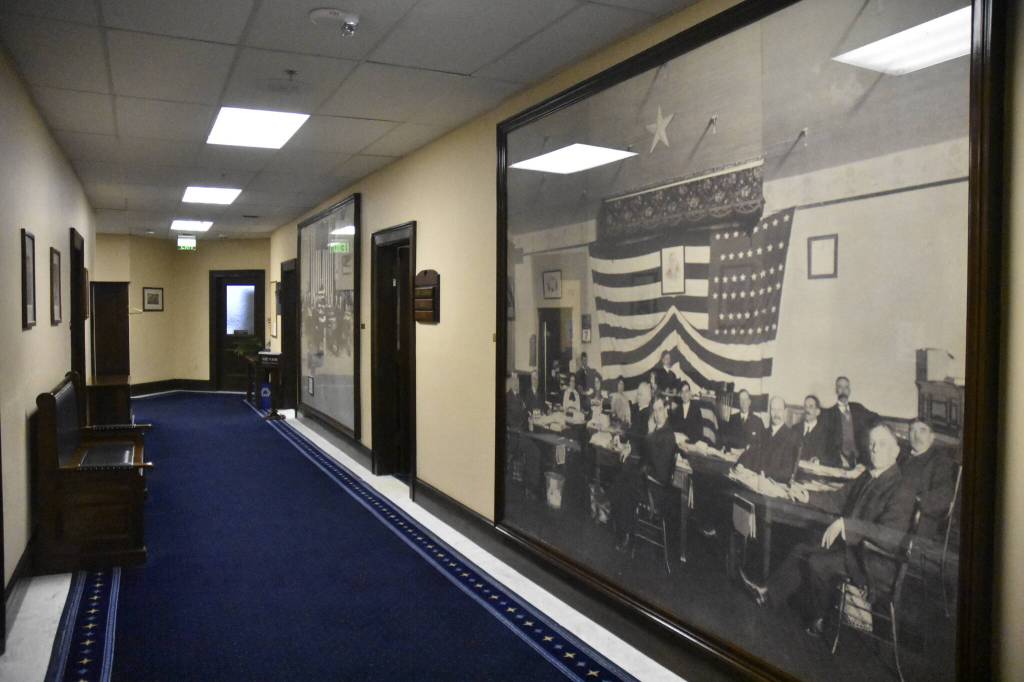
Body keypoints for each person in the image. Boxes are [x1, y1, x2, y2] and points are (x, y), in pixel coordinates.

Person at [761, 424, 917, 636]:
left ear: (896, 451)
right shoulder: (868, 476)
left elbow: (889, 536)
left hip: (876, 561)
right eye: (872, 444)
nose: (874, 449)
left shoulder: (902, 487)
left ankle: (819, 620)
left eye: (882, 444)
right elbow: (838, 499)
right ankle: (767, 594)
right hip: (854, 550)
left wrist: (846, 524)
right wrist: (807, 495)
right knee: (803, 548)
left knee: (818, 562)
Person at [610, 396, 675, 550]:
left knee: (625, 485)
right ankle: (622, 526)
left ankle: (625, 533)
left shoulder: (668, 434)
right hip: (648, 480)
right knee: (621, 478)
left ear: (666, 410)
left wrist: (641, 470)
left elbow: (661, 470)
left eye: (660, 409)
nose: (657, 413)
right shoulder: (657, 431)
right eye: (655, 410)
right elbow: (645, 448)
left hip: (656, 488)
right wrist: (630, 447)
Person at [898, 420, 959, 539]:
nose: (916, 435)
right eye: (912, 430)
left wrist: (914, 500)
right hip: (892, 510)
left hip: (915, 520)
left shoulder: (940, 461)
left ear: (932, 437)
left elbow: (944, 496)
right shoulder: (902, 455)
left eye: (922, 430)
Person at [736, 395, 801, 484]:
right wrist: (741, 464)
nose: (776, 413)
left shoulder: (792, 436)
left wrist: (764, 473)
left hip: (774, 485)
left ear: (785, 412)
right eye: (773, 409)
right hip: (755, 481)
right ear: (770, 411)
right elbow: (749, 453)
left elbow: (786, 472)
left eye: (779, 410)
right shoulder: (764, 432)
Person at [824, 376, 879, 469]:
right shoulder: (828, 414)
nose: (843, 390)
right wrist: (839, 459)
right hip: (839, 463)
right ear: (836, 390)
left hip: (862, 461)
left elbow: (876, 418)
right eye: (840, 387)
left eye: (846, 387)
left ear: (849, 391)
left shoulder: (858, 408)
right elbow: (827, 444)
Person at [798, 395, 833, 465]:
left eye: (810, 407)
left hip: (814, 473)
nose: (807, 410)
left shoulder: (826, 433)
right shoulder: (794, 429)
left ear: (817, 412)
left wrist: (819, 460)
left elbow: (833, 457)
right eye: (805, 406)